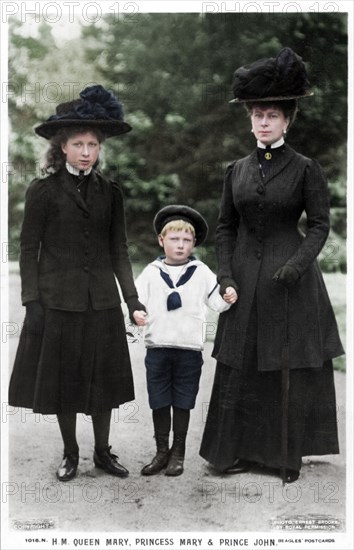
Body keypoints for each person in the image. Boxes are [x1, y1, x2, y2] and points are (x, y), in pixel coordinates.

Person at [199, 47, 345, 483]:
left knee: (282, 362)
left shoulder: (305, 169)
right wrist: (224, 274)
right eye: (257, 115)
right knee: (242, 360)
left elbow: (319, 226)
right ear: (250, 120)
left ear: (287, 121)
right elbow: (225, 227)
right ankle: (237, 451)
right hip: (242, 278)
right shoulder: (236, 171)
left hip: (290, 281)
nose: (263, 122)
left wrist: (296, 266)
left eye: (272, 116)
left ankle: (282, 456)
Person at [9, 85, 145, 481]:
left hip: (101, 302)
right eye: (78, 144)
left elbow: (119, 248)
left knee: (104, 380)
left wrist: (132, 299)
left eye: (92, 144)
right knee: (65, 381)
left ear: (100, 148)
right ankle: (71, 452)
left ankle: (103, 452)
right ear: (62, 148)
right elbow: (28, 248)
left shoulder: (111, 193)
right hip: (58, 302)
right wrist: (32, 302)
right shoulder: (43, 191)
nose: (86, 151)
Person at [132, 205, 232, 476]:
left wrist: (227, 298)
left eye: (187, 240)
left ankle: (178, 453)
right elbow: (135, 301)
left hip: (189, 350)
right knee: (159, 400)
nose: (180, 245)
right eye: (174, 239)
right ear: (161, 240)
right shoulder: (152, 272)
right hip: (158, 348)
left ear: (194, 243)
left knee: (183, 401)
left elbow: (216, 303)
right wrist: (137, 313)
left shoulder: (201, 272)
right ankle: (161, 452)